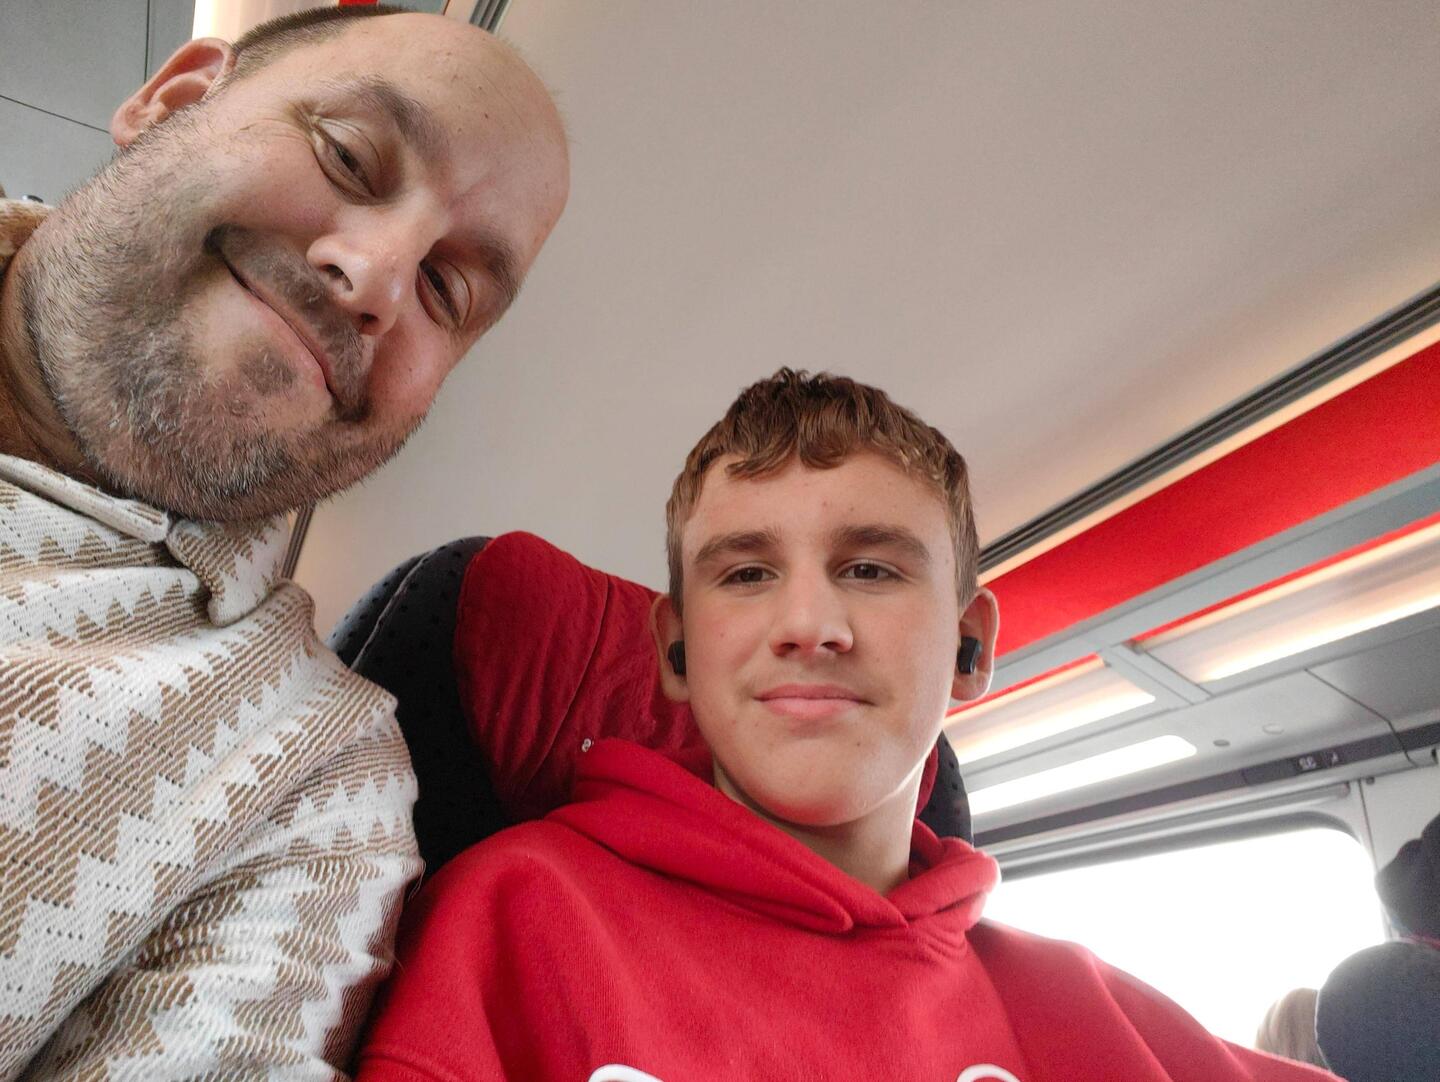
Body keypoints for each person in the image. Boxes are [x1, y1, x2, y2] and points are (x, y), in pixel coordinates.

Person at [356, 369, 1335, 1082]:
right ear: (677, 652)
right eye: (747, 573)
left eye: (870, 568)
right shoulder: (516, 915)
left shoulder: (1096, 1011)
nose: (809, 625)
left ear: (969, 646)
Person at [0, 5, 568, 1077]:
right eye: (348, 156)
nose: (377, 278)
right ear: (173, 100)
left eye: (445, 288)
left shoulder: (318, 790)